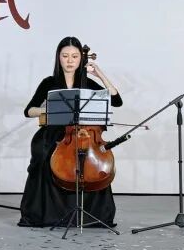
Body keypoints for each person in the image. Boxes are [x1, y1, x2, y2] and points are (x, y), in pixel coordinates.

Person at [19, 37, 122, 228]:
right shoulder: (49, 82)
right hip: (54, 135)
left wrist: (100, 74)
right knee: (43, 155)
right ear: (58, 57)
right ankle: (46, 214)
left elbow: (116, 101)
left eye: (75, 56)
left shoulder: (88, 82)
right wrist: (47, 109)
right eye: (65, 56)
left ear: (81, 59)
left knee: (92, 165)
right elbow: (28, 110)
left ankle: (91, 216)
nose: (69, 60)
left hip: (85, 135)